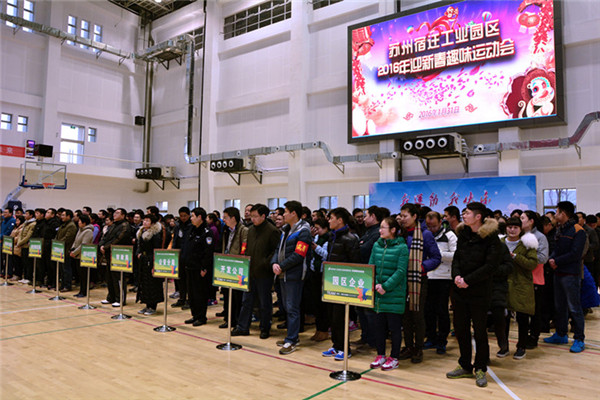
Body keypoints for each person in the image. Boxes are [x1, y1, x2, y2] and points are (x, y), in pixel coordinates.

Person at [446, 202, 501, 388]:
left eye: (468, 213)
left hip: (479, 291)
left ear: (478, 217)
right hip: (460, 290)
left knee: (479, 331)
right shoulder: (463, 234)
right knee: (461, 329)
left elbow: (490, 266)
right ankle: (464, 364)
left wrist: (468, 280)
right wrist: (456, 276)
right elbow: (457, 258)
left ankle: (480, 368)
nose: (464, 215)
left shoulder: (491, 237)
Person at [397, 203, 441, 364]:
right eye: (401, 216)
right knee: (405, 316)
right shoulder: (400, 233)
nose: (402, 219)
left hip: (418, 280)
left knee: (417, 314)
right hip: (401, 279)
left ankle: (418, 348)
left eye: (405, 216)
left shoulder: (425, 234)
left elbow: (436, 258)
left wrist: (421, 267)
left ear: (415, 216)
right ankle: (408, 346)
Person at [543, 201, 587, 353]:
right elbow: (557, 249)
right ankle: (561, 334)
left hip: (571, 274)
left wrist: (557, 261)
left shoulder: (578, 230)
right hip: (558, 273)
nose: (555, 215)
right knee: (560, 306)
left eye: (557, 212)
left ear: (563, 213)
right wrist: (552, 259)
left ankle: (579, 338)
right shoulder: (560, 229)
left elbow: (575, 254)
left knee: (574, 307)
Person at [233, 203, 280, 339]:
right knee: (246, 301)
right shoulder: (251, 230)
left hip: (264, 273)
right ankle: (243, 327)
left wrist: (265, 263)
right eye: (251, 216)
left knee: (264, 303)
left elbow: (275, 252)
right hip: (250, 271)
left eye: (255, 216)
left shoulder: (272, 231)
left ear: (263, 216)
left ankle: (265, 328)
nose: (252, 218)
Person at [272, 200, 312, 355]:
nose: (283, 215)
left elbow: (299, 254)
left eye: (286, 212)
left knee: (292, 308)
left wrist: (282, 266)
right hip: (282, 274)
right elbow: (277, 249)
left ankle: (292, 339)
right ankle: (291, 336)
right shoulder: (285, 229)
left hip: (294, 275)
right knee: (287, 307)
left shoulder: (304, 231)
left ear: (294, 213)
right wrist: (274, 263)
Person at [368, 217, 409, 371]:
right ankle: (380, 355)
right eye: (380, 227)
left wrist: (385, 286)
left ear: (393, 230)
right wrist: (374, 283)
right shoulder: (376, 245)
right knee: (378, 327)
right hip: (378, 293)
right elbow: (371, 266)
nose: (380, 230)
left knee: (394, 328)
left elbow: (400, 271)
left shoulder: (402, 248)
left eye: (383, 228)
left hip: (393, 294)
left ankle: (394, 357)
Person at [321, 207, 360, 361]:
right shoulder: (332, 237)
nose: (329, 221)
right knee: (332, 317)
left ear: (340, 220)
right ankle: (336, 345)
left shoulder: (350, 239)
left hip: (343, 284)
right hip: (331, 282)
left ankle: (345, 348)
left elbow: (355, 263)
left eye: (331, 218)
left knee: (341, 317)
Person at [504, 217, 538, 360]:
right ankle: (503, 346)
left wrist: (515, 257)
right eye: (509, 227)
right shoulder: (500, 242)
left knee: (522, 317)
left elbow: (532, 264)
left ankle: (521, 346)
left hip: (521, 284)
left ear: (520, 229)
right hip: (503, 284)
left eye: (515, 227)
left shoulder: (527, 244)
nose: (512, 230)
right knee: (503, 318)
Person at [424, 211, 457, 355]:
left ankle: (442, 341)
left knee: (442, 311)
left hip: (443, 278)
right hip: (427, 276)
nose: (431, 228)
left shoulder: (450, 235)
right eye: (429, 226)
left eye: (434, 226)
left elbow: (456, 255)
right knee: (428, 311)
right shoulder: (424, 234)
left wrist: (437, 254)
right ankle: (430, 338)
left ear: (440, 222)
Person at [354, 205, 384, 350]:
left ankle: (373, 340)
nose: (364, 219)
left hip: (371, 275)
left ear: (373, 216)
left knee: (369, 311)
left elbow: (364, 249)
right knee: (361, 309)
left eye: (366, 216)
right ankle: (365, 337)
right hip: (362, 274)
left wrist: (359, 246)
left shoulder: (377, 233)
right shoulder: (368, 232)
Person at [520, 210, 549, 349]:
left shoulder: (540, 237)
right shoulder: (519, 235)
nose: (520, 221)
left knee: (535, 311)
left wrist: (524, 260)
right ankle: (523, 336)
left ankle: (534, 336)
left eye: (522, 218)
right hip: (521, 278)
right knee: (522, 311)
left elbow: (543, 258)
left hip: (535, 278)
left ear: (531, 221)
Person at [182, 207, 214, 327]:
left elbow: (208, 252)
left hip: (199, 268)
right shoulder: (191, 229)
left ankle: (201, 317)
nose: (191, 218)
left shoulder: (206, 232)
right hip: (189, 266)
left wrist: (204, 267)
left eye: (193, 216)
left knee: (199, 293)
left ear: (200, 217)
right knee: (191, 294)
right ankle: (194, 315)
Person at [219, 207, 248, 330]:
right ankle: (228, 319)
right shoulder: (226, 230)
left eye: (225, 217)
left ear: (233, 218)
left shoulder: (243, 230)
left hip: (237, 267)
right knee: (227, 295)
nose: (223, 219)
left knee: (237, 297)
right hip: (227, 266)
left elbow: (244, 248)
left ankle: (237, 321)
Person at [99, 208, 132, 307]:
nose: (114, 214)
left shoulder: (125, 226)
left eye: (117, 213)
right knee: (109, 277)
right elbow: (105, 237)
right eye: (114, 213)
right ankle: (111, 297)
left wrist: (106, 247)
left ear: (123, 215)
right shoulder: (113, 225)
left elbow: (118, 239)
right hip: (109, 254)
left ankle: (120, 299)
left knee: (118, 277)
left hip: (119, 254)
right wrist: (101, 245)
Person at [136, 214, 164, 315]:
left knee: (152, 284)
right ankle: (146, 305)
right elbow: (139, 246)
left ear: (152, 223)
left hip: (151, 261)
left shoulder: (155, 234)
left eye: (147, 221)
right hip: (143, 261)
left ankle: (152, 306)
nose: (144, 222)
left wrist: (153, 263)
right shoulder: (141, 232)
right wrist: (138, 253)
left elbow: (156, 250)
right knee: (144, 283)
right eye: (144, 220)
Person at [308, 217, 330, 342]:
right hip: (314, 272)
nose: (316, 231)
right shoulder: (316, 237)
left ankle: (324, 330)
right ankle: (318, 329)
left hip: (323, 274)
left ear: (325, 228)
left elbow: (327, 255)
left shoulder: (328, 239)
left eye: (318, 228)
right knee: (315, 303)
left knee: (323, 305)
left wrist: (316, 248)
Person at [171, 207, 192, 309]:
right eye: (181, 216)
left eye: (185, 216)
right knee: (180, 279)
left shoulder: (191, 226)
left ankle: (189, 300)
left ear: (189, 215)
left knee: (189, 280)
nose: (183, 218)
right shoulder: (178, 226)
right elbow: (175, 240)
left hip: (188, 257)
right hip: (179, 256)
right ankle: (182, 298)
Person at [70, 215, 94, 298]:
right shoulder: (80, 230)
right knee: (80, 275)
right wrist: (72, 249)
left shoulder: (88, 231)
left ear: (84, 223)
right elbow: (75, 241)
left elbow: (84, 244)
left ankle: (84, 291)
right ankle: (81, 291)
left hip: (84, 256)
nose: (78, 222)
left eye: (80, 221)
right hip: (77, 255)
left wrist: (75, 252)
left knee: (84, 275)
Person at [56, 210, 77, 291]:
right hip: (60, 249)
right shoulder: (63, 224)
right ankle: (63, 284)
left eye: (63, 215)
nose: (61, 217)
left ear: (68, 216)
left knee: (66, 269)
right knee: (62, 269)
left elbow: (67, 238)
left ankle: (67, 285)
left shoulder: (71, 226)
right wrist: (55, 242)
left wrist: (58, 243)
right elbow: (57, 235)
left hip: (66, 250)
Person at [15, 210, 36, 284]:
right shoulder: (25, 223)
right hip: (22, 245)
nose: (25, 215)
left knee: (28, 263)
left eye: (27, 214)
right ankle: (25, 277)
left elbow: (28, 236)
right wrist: (19, 242)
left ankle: (28, 277)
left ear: (31, 215)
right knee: (24, 262)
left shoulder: (33, 224)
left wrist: (20, 242)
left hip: (27, 245)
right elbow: (21, 234)